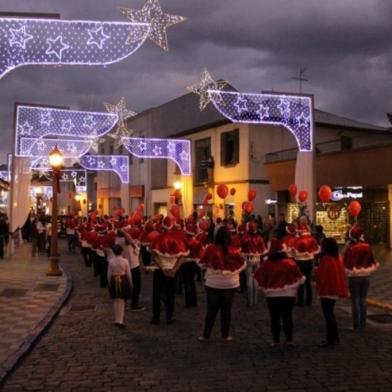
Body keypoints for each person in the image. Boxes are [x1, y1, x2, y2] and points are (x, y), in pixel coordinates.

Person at [198, 226, 245, 341]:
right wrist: (232, 272)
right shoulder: (234, 250)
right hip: (230, 283)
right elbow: (243, 264)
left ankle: (206, 335)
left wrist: (208, 267)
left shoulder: (210, 249)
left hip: (213, 283)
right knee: (226, 310)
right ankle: (225, 335)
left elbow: (200, 263)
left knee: (211, 310)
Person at [254, 239, 305, 348]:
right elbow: (299, 277)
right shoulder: (290, 262)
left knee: (274, 317)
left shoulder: (267, 263)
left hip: (272, 295)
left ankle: (276, 340)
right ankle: (289, 339)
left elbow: (258, 276)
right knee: (287, 317)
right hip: (289, 294)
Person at [149, 217, 189, 325]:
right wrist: (175, 269)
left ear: (162, 225)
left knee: (156, 294)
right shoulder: (178, 239)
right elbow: (183, 256)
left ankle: (156, 317)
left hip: (160, 270)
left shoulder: (158, 238)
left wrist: (162, 268)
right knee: (171, 294)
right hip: (173, 271)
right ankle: (169, 317)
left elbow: (154, 256)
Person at [343, 225, 379, 331]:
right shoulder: (367, 246)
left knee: (355, 300)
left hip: (354, 276)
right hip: (366, 276)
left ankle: (356, 325)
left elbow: (346, 262)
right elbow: (372, 260)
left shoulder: (351, 248)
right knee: (363, 300)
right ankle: (363, 324)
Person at [315, 237, 348, 348]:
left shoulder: (326, 259)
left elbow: (321, 276)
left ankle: (331, 338)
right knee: (330, 314)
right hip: (334, 289)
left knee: (328, 316)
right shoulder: (337, 257)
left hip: (327, 290)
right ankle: (334, 337)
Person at [292, 224, 320, 306]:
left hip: (299, 262)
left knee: (300, 281)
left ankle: (300, 301)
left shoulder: (297, 240)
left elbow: (294, 252)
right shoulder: (312, 239)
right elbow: (317, 250)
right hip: (309, 261)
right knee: (308, 282)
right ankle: (309, 301)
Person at [119, 227, 145, 311]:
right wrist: (124, 232)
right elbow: (129, 240)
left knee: (126, 285)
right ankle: (134, 305)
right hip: (132, 266)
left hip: (126, 265)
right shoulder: (124, 240)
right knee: (136, 286)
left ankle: (125, 304)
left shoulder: (120, 240)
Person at [107, 244, 132, 328]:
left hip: (114, 280)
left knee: (115, 300)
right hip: (123, 280)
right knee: (121, 301)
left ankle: (116, 319)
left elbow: (109, 274)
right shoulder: (125, 261)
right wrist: (131, 283)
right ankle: (120, 320)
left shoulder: (111, 261)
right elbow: (128, 273)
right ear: (121, 251)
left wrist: (109, 283)